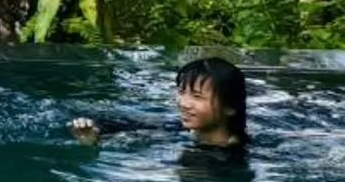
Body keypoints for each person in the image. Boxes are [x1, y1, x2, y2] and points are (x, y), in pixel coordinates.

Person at [69, 56, 249, 159]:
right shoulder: (178, 130)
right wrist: (91, 138)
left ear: (230, 107)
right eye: (182, 92)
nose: (184, 103)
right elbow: (121, 127)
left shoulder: (232, 158)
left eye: (197, 96)